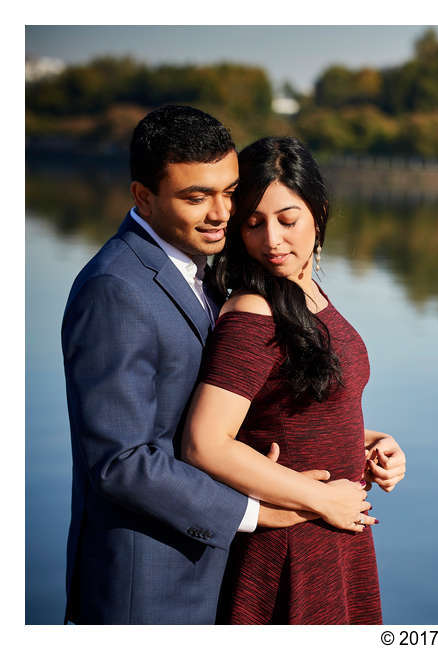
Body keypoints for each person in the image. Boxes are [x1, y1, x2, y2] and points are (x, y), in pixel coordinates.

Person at [61, 106, 332, 624]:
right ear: (143, 196)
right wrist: (255, 513)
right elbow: (120, 463)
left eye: (228, 191)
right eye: (195, 197)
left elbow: (205, 406)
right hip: (146, 590)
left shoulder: (200, 271)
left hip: (209, 573)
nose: (221, 213)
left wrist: (352, 436)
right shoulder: (114, 290)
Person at [181, 135, 405, 625]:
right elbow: (203, 443)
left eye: (287, 220)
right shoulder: (253, 311)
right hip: (290, 542)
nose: (272, 241)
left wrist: (374, 442)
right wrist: (321, 498)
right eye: (254, 224)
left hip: (334, 531)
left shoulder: (306, 292)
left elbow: (291, 413)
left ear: (319, 212)